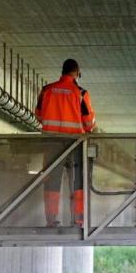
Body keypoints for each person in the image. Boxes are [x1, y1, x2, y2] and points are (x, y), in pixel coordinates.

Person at [35, 58, 96, 227]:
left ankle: (51, 220)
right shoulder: (81, 93)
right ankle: (78, 220)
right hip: (74, 145)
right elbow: (89, 123)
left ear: (62, 72)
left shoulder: (47, 90)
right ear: (77, 73)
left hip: (51, 143)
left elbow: (39, 115)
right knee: (77, 182)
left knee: (52, 183)